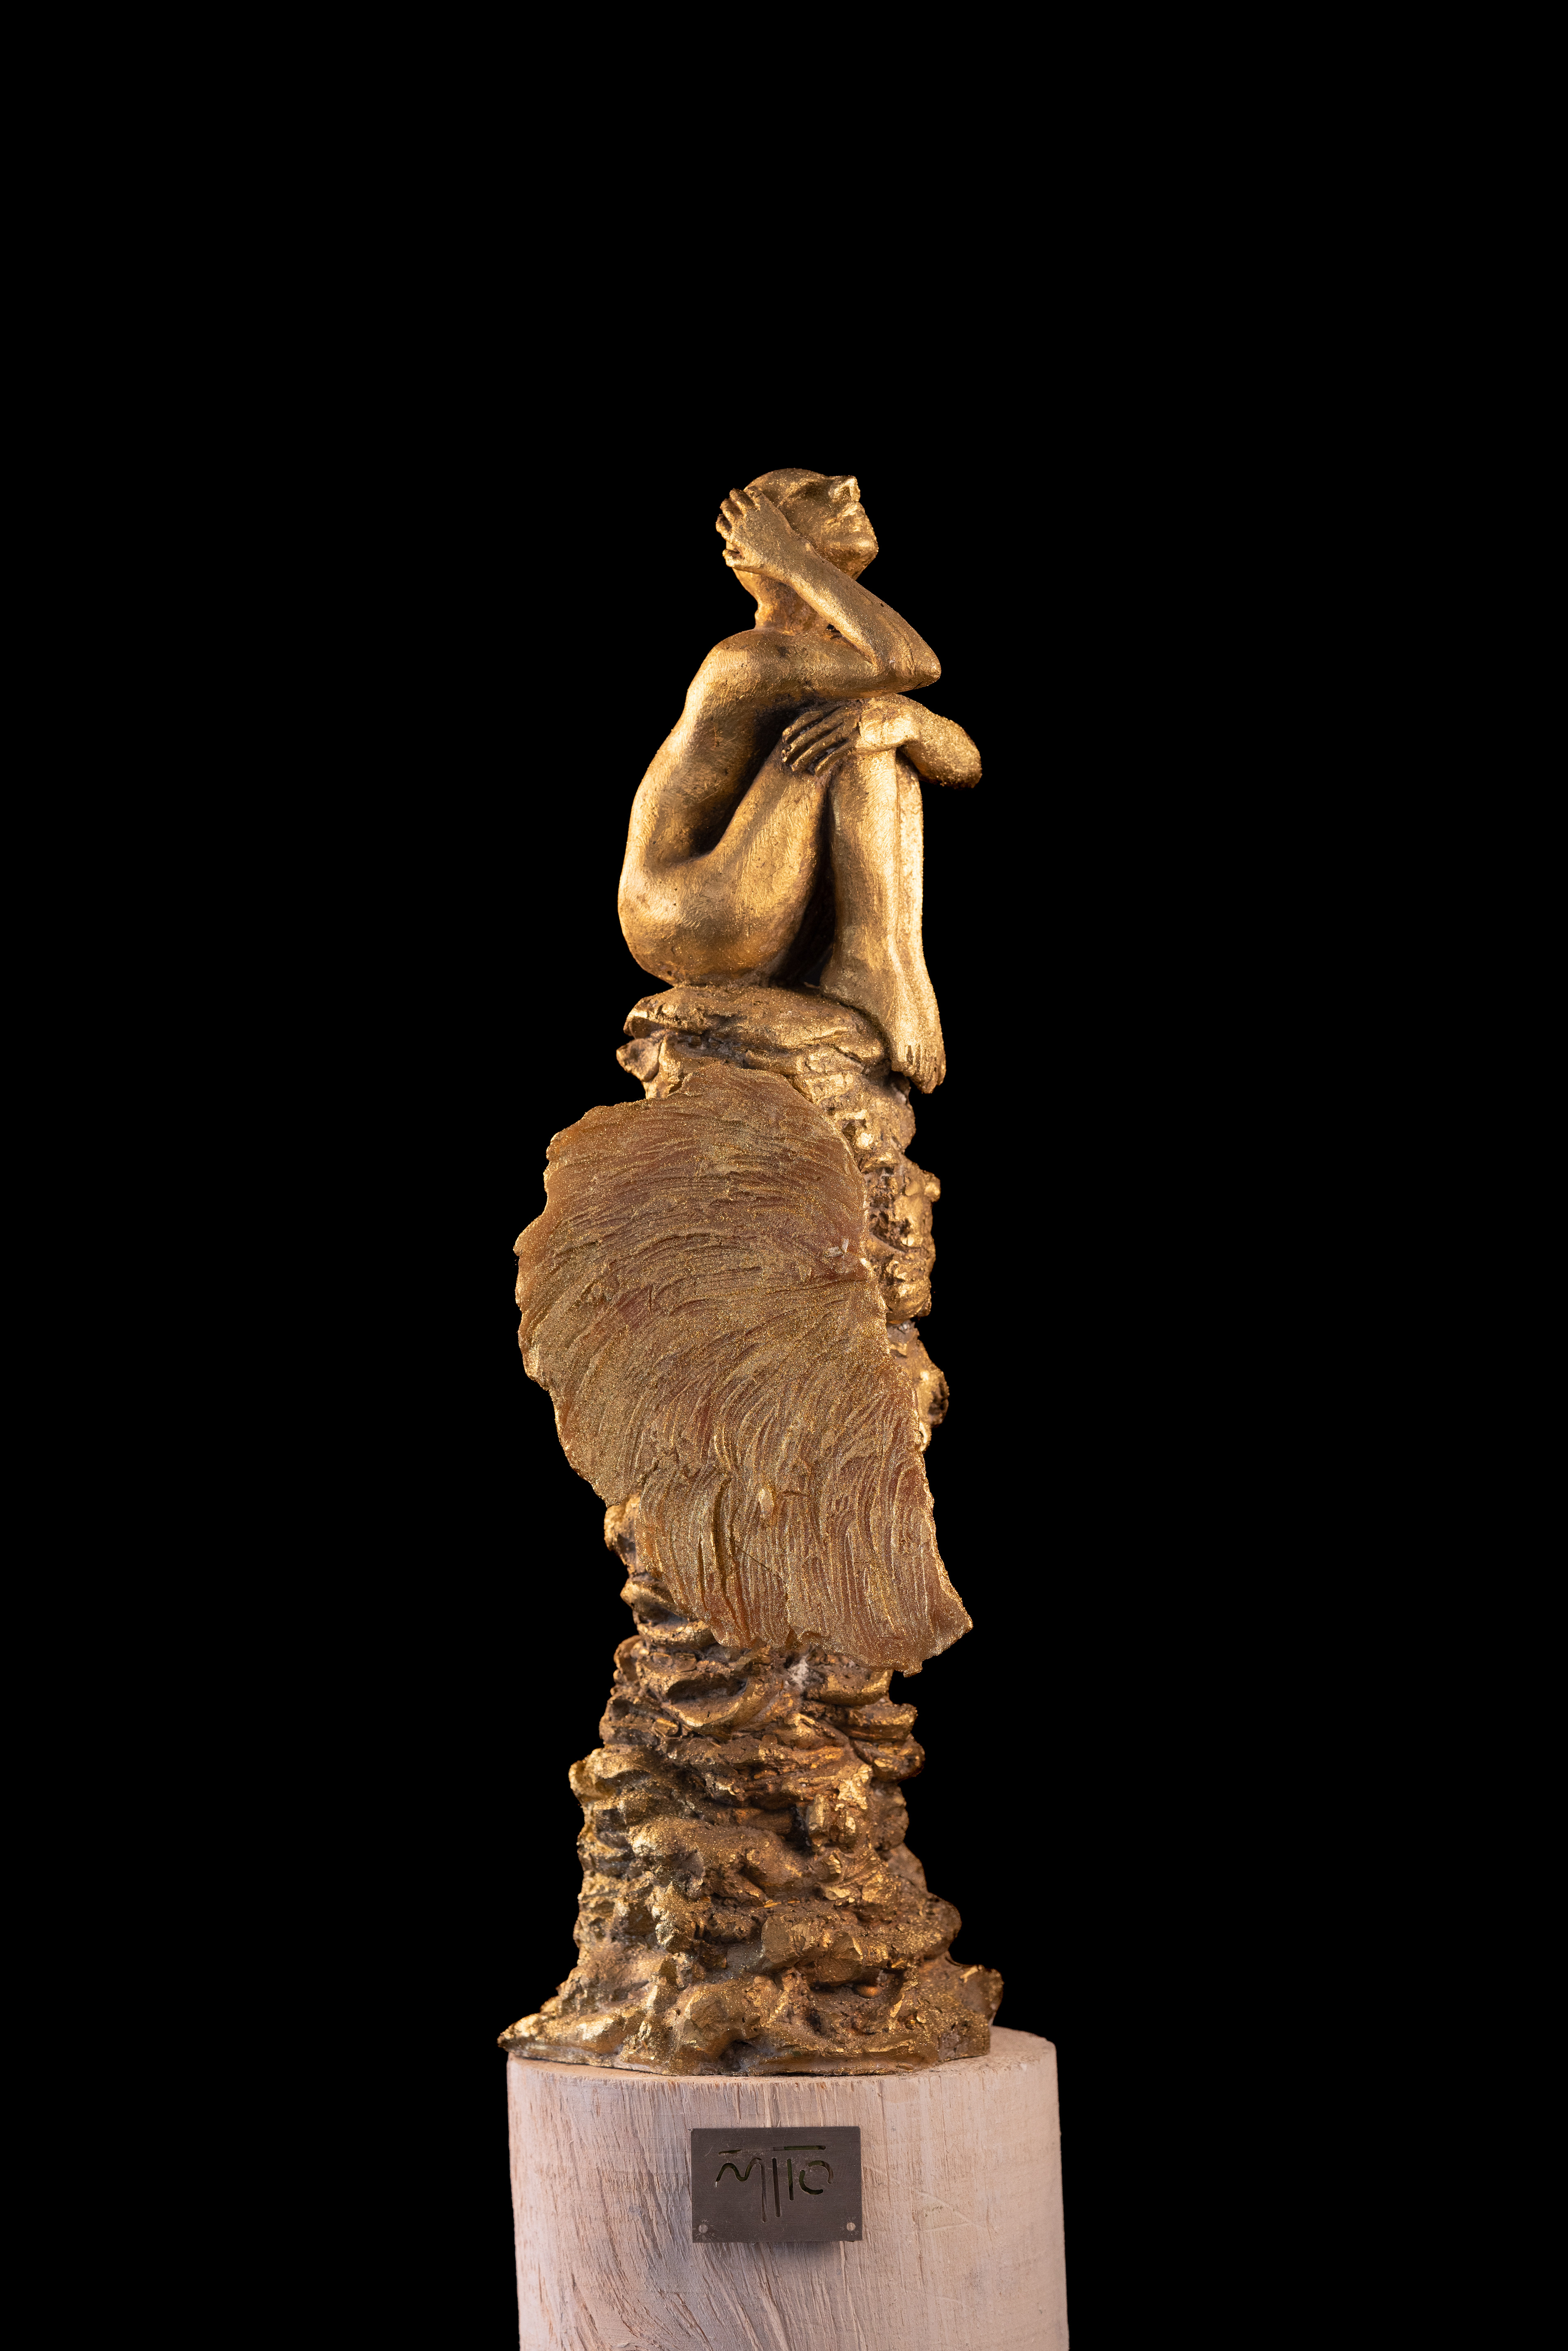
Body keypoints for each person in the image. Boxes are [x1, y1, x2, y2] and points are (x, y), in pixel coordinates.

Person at [617, 470, 980, 1092]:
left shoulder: (839, 668)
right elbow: (914, 663)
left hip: (743, 895)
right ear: (766, 545)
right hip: (684, 908)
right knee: (852, 735)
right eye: (812, 495)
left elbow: (965, 763)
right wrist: (789, 558)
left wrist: (905, 721)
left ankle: (878, 958)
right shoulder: (747, 659)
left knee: (873, 731)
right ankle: (878, 961)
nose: (849, 486)